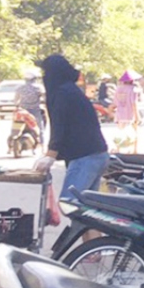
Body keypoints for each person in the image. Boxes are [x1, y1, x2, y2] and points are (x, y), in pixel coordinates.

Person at [37, 54, 110, 201]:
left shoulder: (63, 93)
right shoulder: (71, 90)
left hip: (85, 157)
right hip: (96, 154)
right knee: (86, 206)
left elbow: (60, 125)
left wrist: (50, 155)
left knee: (69, 203)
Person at [14, 69, 46, 135]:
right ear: (34, 79)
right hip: (35, 110)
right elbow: (44, 98)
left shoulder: (20, 88)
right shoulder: (39, 87)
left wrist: (17, 105)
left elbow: (15, 100)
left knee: (16, 128)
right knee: (40, 129)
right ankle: (41, 141)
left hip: (23, 111)